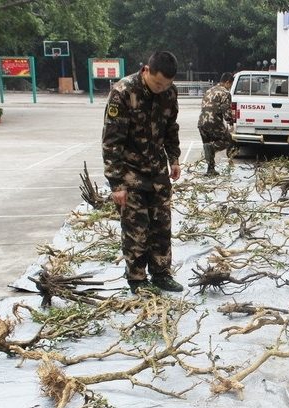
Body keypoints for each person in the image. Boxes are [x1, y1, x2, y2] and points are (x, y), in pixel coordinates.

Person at [101, 51, 184, 295]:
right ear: (146, 70)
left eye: (167, 84)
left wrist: (174, 158)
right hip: (129, 172)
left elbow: (171, 128)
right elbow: (111, 141)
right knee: (137, 229)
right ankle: (137, 279)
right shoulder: (123, 92)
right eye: (158, 83)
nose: (162, 88)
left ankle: (161, 274)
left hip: (157, 171)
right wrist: (116, 183)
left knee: (161, 225)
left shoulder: (169, 93)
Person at [198, 72, 237, 176]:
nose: (230, 87)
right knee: (227, 140)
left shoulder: (209, 90)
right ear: (228, 82)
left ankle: (210, 170)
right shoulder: (225, 92)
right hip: (213, 121)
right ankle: (212, 148)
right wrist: (230, 122)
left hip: (201, 122)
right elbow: (225, 108)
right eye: (231, 85)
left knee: (208, 143)